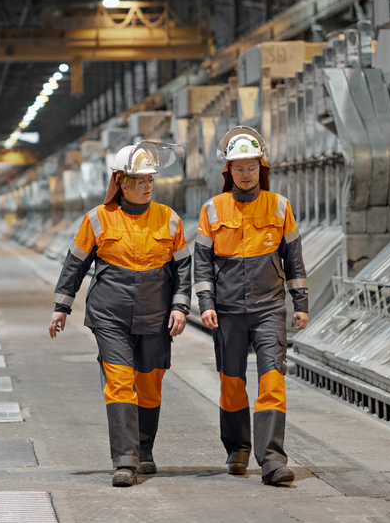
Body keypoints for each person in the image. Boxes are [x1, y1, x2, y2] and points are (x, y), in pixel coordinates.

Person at [49, 142, 192, 488]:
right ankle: (125, 460)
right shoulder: (97, 219)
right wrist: (61, 307)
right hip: (110, 317)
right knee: (119, 385)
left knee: (150, 386)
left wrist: (180, 306)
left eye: (150, 180)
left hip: (156, 318)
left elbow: (184, 267)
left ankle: (144, 450)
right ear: (120, 181)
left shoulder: (169, 218)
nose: (147, 185)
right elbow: (75, 264)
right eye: (139, 179)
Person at [193, 126, 308, 486]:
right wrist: (206, 303)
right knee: (232, 384)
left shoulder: (279, 206)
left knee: (272, 380)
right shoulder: (212, 210)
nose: (246, 174)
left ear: (262, 168)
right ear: (228, 171)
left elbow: (294, 260)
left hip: (269, 308)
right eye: (239, 168)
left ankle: (272, 459)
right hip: (227, 311)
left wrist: (300, 303)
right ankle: (238, 449)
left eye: (252, 167)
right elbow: (201, 264)